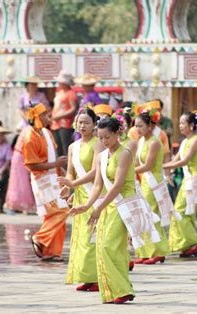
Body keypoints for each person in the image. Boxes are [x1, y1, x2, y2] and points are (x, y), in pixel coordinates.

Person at [70, 117, 138, 304]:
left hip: (122, 204)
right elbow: (98, 185)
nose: (104, 142)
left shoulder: (124, 154)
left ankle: (121, 289)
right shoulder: (101, 156)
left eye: (107, 137)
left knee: (109, 246)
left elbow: (117, 186)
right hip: (108, 205)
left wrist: (98, 208)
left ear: (117, 134)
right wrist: (86, 206)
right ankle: (115, 290)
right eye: (100, 138)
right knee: (104, 247)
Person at [57, 107, 102, 291]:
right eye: (80, 122)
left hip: (93, 194)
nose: (82, 125)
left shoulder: (98, 144)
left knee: (92, 235)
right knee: (80, 236)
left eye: (86, 122)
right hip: (79, 195)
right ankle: (86, 275)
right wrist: (68, 186)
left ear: (94, 125)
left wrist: (73, 183)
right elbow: (70, 170)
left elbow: (94, 172)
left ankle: (97, 277)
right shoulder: (72, 147)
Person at [23, 103, 69, 261]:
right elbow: (31, 164)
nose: (48, 117)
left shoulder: (47, 133)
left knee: (53, 215)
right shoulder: (29, 137)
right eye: (45, 115)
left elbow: (53, 157)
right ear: (37, 117)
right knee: (61, 212)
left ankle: (51, 252)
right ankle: (40, 238)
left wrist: (62, 173)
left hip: (53, 178)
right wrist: (55, 165)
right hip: (41, 181)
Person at [163, 112, 197, 258]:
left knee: (180, 210)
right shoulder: (185, 142)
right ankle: (188, 244)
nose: (180, 126)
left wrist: (164, 166)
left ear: (191, 125)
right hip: (188, 180)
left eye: (183, 123)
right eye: (180, 123)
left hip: (195, 181)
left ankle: (191, 242)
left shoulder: (196, 140)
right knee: (186, 212)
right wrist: (166, 168)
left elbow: (184, 161)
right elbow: (176, 159)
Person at [133, 109, 174, 265]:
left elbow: (148, 165)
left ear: (150, 126)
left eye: (141, 126)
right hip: (144, 180)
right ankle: (145, 251)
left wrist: (126, 171)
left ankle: (158, 250)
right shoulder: (141, 140)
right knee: (143, 214)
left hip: (153, 180)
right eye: (136, 126)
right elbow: (137, 163)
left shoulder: (155, 142)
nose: (137, 129)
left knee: (151, 214)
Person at [5, 127, 37, 214]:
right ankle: (21, 206)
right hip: (21, 156)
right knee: (21, 182)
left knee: (21, 181)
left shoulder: (29, 129)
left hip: (22, 155)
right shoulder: (30, 130)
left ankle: (25, 207)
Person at [52, 70, 78, 157]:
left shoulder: (71, 93)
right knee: (58, 149)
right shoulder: (59, 92)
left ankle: (68, 168)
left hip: (65, 124)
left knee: (66, 149)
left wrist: (59, 116)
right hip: (55, 124)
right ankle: (61, 169)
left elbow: (73, 109)